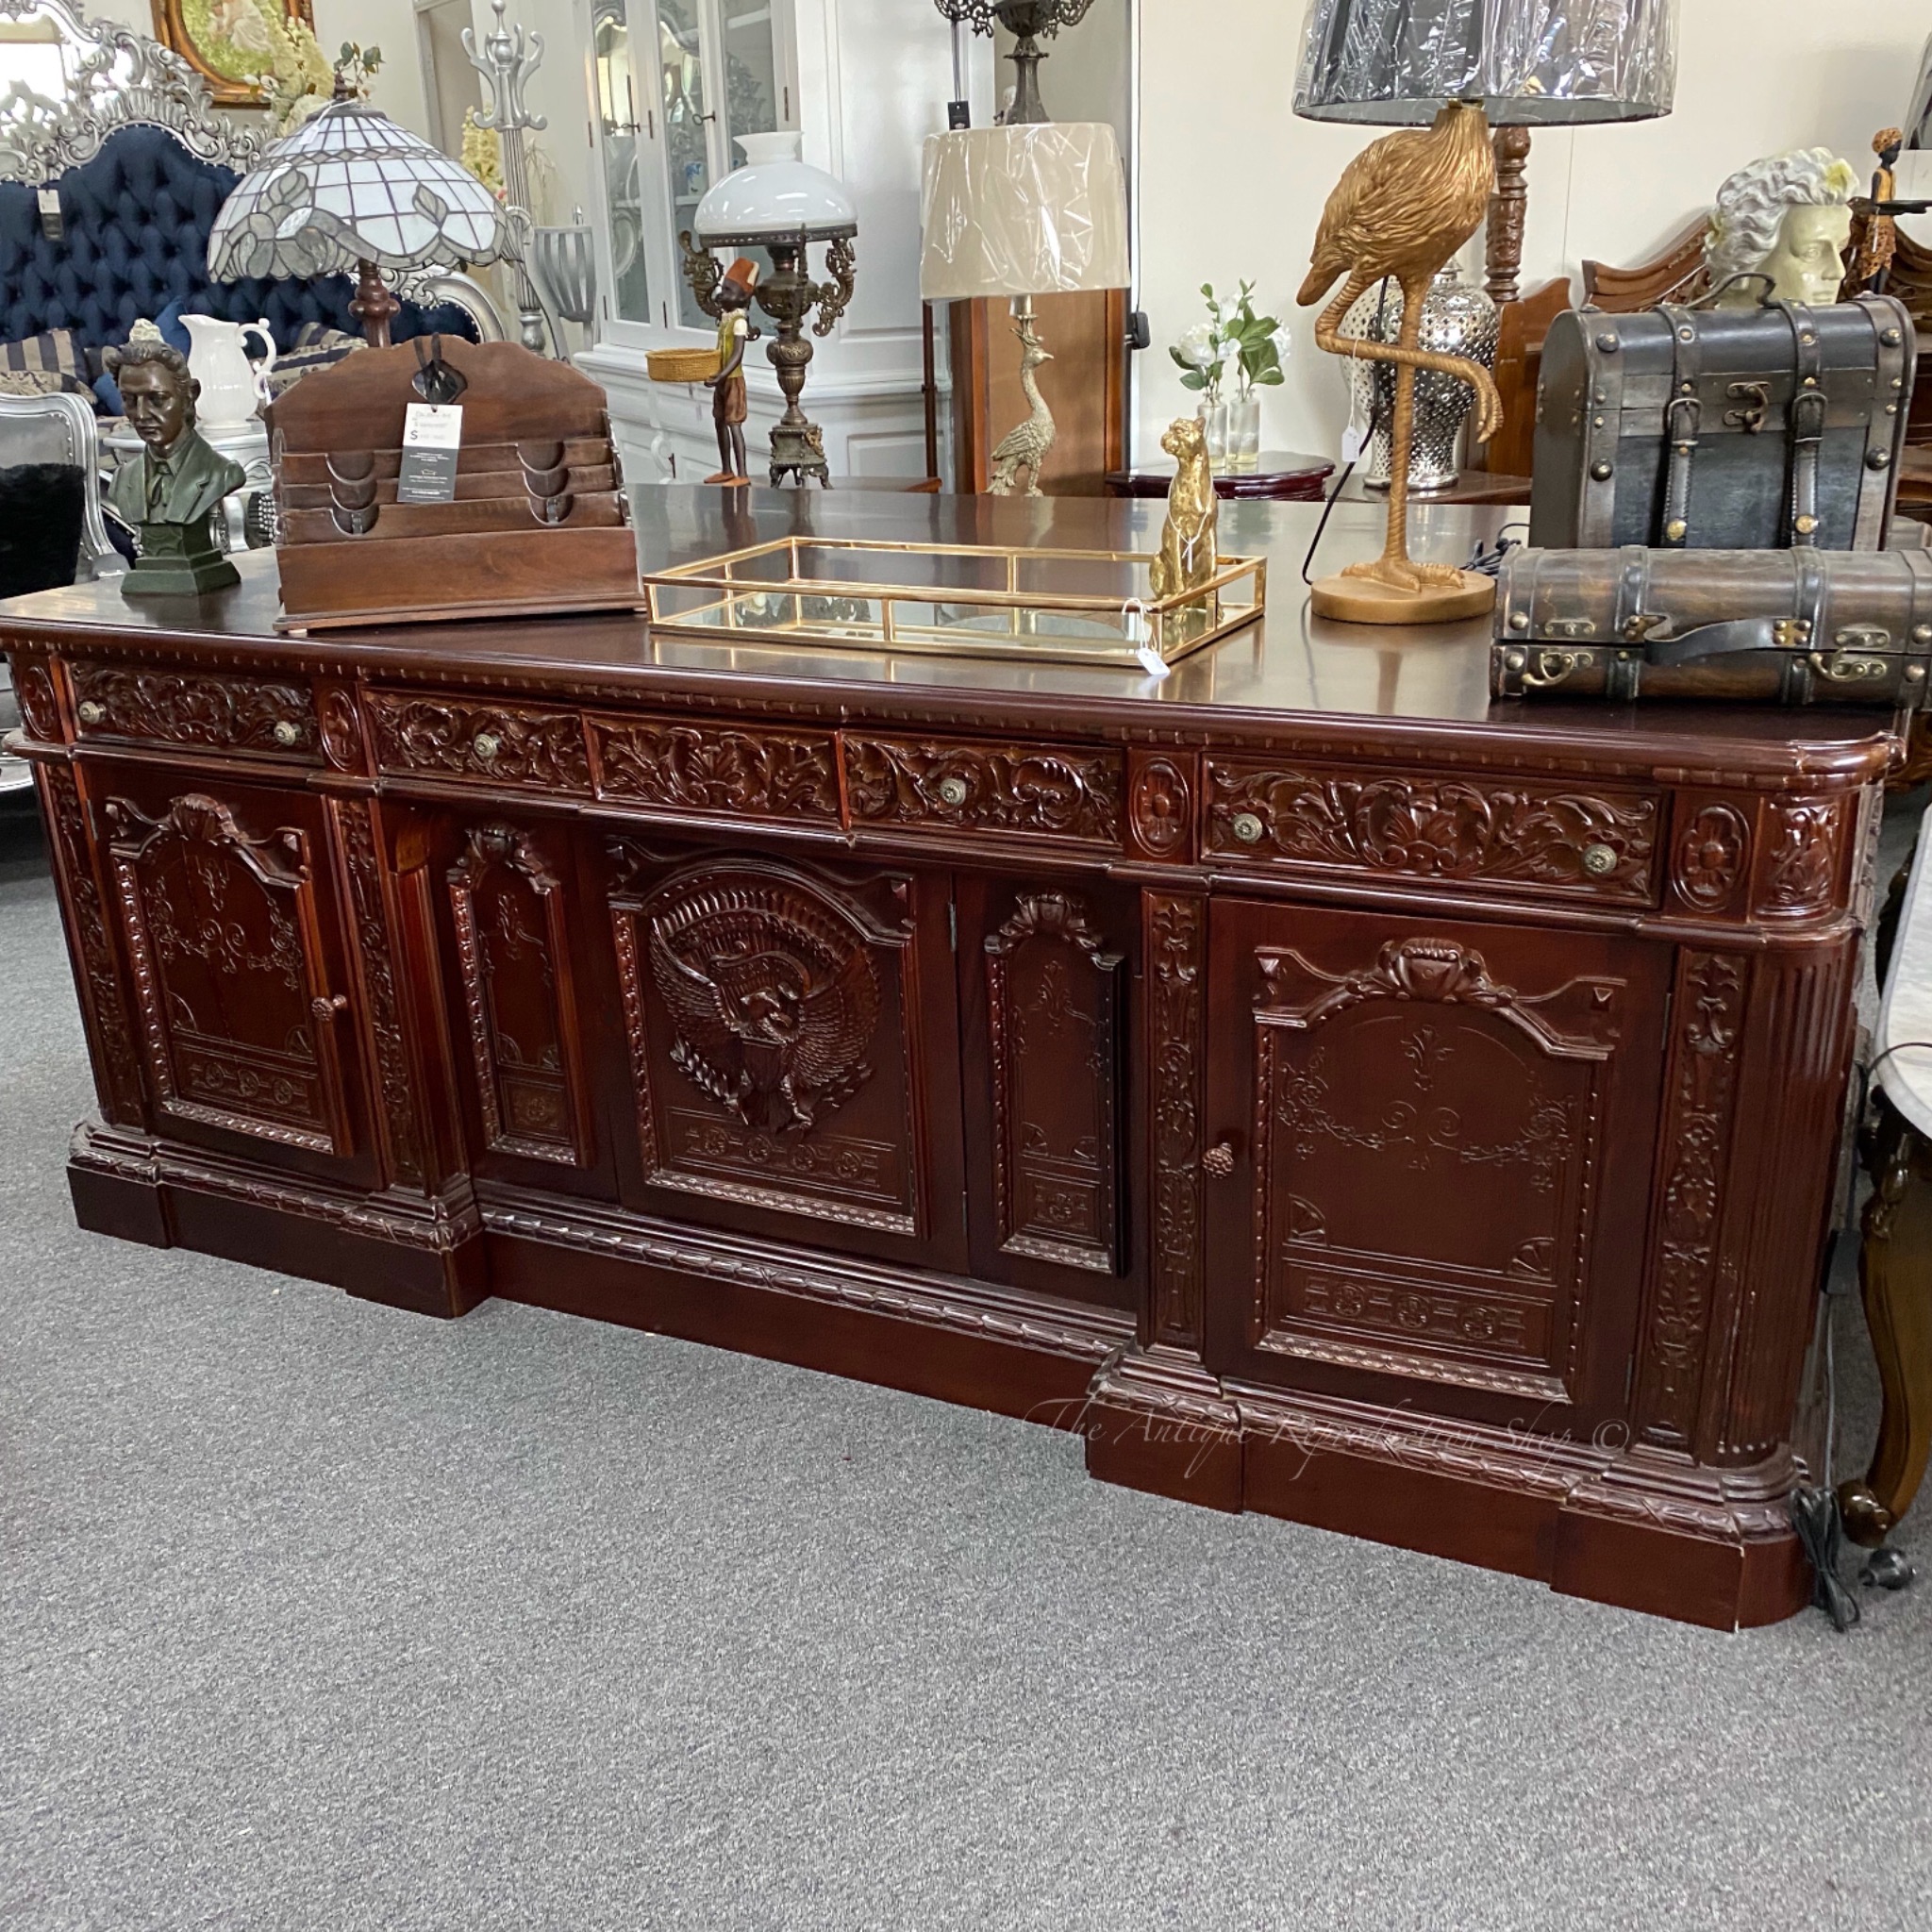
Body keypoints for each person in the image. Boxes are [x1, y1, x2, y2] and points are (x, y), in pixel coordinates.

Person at [103, 321, 247, 596]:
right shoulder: (123, 479)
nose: (141, 415)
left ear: (189, 396)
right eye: (129, 400)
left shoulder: (221, 472)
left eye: (157, 399)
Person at [704, 258, 760, 485]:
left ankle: (743, 474)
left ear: (742, 297)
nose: (721, 295)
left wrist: (722, 374)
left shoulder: (739, 322)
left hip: (732, 379)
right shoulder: (726, 319)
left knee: (734, 424)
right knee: (719, 421)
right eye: (723, 289)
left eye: (728, 290)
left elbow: (737, 354)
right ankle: (726, 469)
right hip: (722, 379)